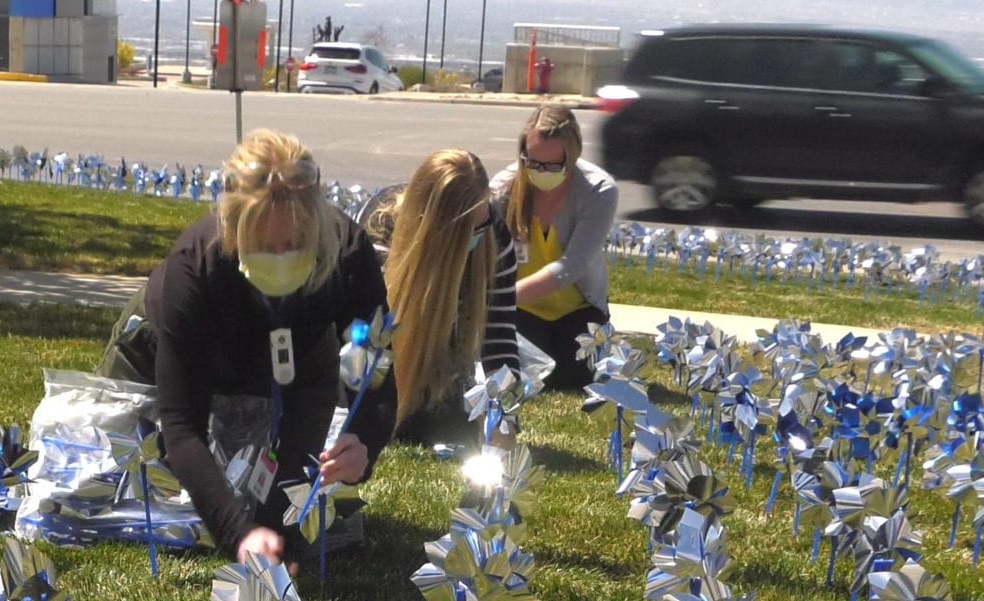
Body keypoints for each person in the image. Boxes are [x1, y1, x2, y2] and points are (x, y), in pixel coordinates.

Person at [100, 130, 394, 568]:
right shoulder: (192, 270)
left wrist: (364, 442)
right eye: (263, 246)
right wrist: (237, 533)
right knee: (116, 481)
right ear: (234, 225)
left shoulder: (348, 255)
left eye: (294, 245)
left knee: (282, 505)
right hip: (166, 343)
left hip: (296, 347)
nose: (279, 256)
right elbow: (182, 425)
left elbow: (376, 371)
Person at [382, 150, 523, 444]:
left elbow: (499, 335)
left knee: (452, 427)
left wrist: (505, 412)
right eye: (466, 231)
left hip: (448, 369)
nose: (479, 235)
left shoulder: (496, 239)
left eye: (481, 225)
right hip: (388, 362)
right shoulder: (382, 231)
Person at [490, 104, 618, 391]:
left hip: (578, 308)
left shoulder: (599, 190)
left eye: (552, 165)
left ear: (571, 157)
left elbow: (572, 265)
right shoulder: (502, 188)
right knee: (528, 376)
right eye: (532, 163)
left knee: (574, 378)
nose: (540, 171)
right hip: (520, 308)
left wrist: (501, 298)